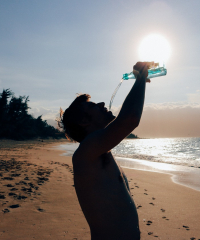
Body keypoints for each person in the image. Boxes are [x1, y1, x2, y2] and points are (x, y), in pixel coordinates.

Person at [58, 62, 151, 240]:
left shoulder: (101, 151)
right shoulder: (86, 152)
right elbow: (130, 119)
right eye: (92, 106)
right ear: (84, 122)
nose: (101, 103)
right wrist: (139, 78)